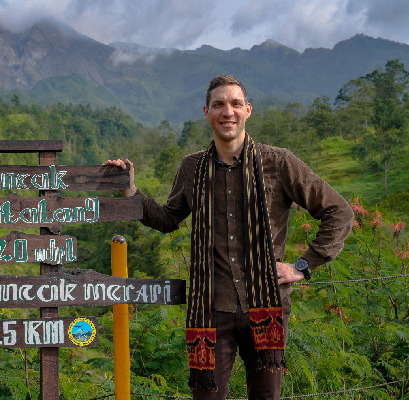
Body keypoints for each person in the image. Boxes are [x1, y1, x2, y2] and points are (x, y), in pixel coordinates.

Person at [106, 75, 353, 400]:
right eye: (219, 104)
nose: (228, 111)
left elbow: (339, 211)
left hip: (267, 305)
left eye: (235, 104)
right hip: (211, 310)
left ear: (247, 110)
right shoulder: (192, 167)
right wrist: (130, 190)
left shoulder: (278, 163)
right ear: (207, 112)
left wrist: (302, 266)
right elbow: (168, 219)